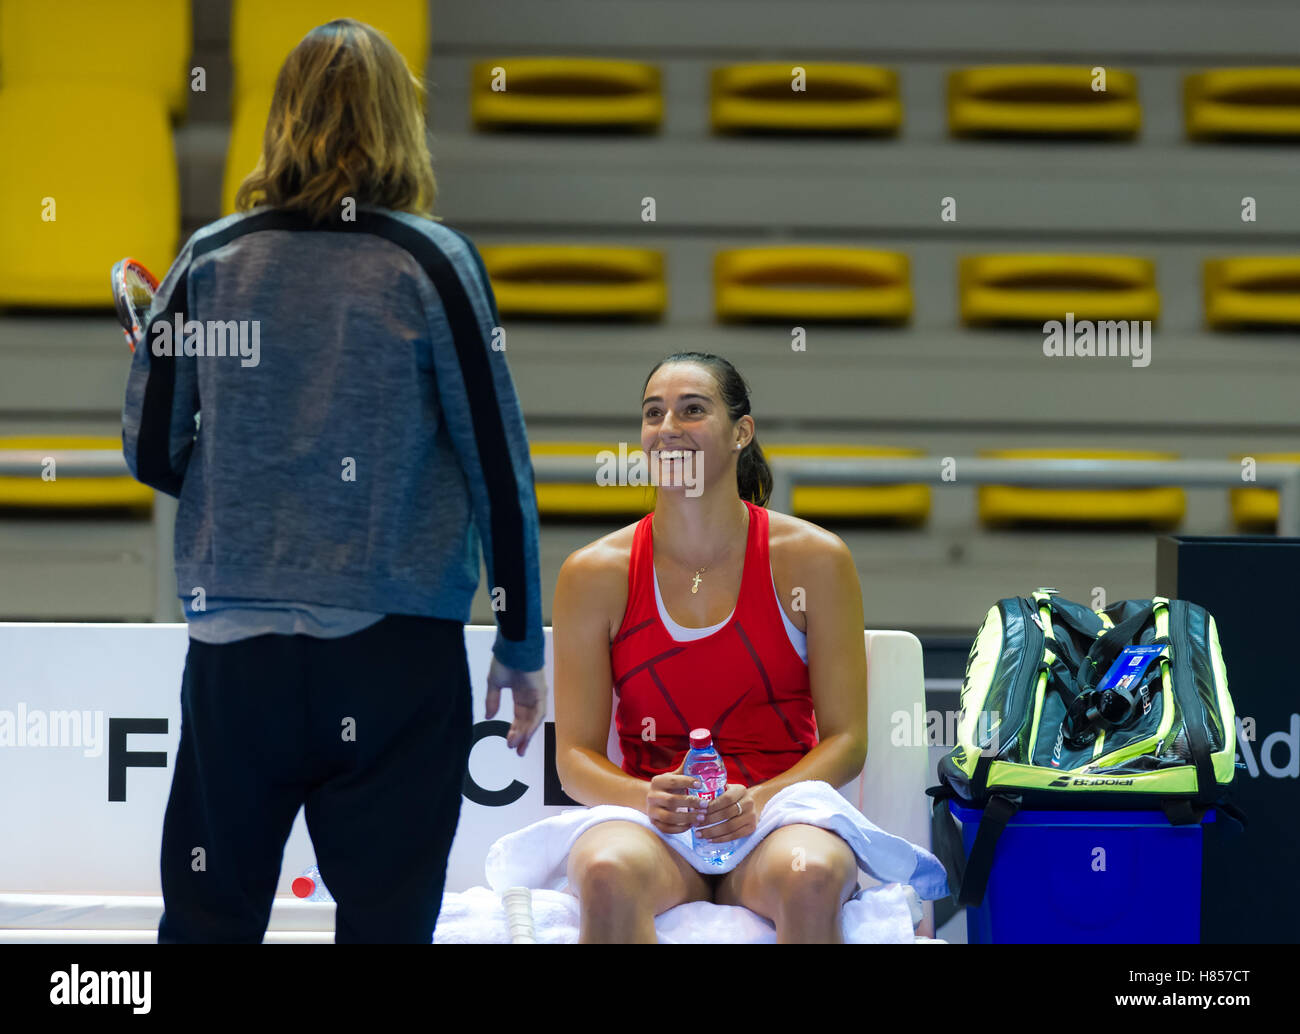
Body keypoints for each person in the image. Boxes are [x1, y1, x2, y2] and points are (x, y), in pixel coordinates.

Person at [122, 19, 547, 944]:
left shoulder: (210, 258)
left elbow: (153, 452)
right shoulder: (435, 262)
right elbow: (497, 464)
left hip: (239, 653)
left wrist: (237, 465)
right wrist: (519, 641)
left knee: (206, 920)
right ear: (403, 121)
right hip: (393, 651)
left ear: (280, 120)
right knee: (388, 928)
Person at [552, 351, 870, 943]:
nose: (668, 427)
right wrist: (645, 797)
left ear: (741, 433)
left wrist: (759, 801)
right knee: (604, 871)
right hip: (652, 825)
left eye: (692, 409)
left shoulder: (816, 560)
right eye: (653, 413)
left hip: (778, 816)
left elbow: (848, 741)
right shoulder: (593, 573)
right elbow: (573, 757)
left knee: (812, 874)